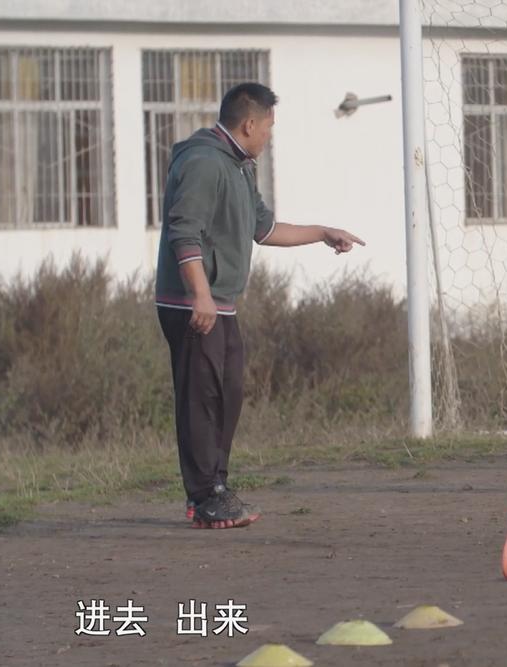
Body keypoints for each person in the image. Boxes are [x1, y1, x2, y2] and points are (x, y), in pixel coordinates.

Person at [156, 83, 364, 528]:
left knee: (228, 394)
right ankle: (203, 497)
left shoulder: (239, 166)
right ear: (250, 124)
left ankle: (217, 487)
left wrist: (323, 231)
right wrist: (201, 294)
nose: (270, 137)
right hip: (190, 302)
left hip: (220, 303)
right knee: (201, 399)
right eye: (269, 127)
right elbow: (183, 233)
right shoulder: (202, 161)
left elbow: (265, 230)